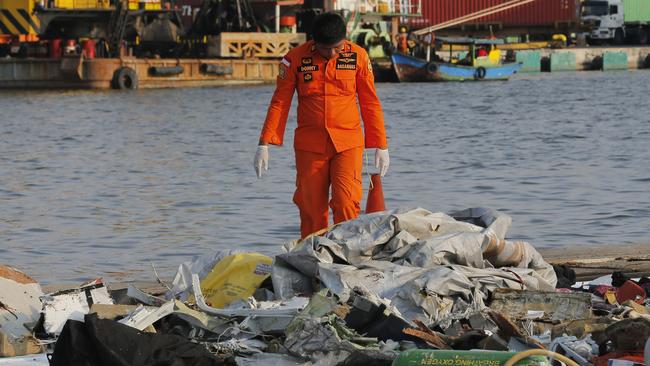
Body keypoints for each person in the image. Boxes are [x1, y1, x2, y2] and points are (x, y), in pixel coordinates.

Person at [253, 12, 390, 239]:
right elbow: (280, 102)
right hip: (310, 147)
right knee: (311, 210)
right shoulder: (294, 59)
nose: (332, 54)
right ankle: (311, 258)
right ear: (314, 42)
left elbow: (370, 103)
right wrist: (264, 143)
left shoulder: (359, 57)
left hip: (348, 144)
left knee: (346, 203)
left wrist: (381, 145)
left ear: (344, 40)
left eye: (337, 48)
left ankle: (345, 257)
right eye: (326, 49)